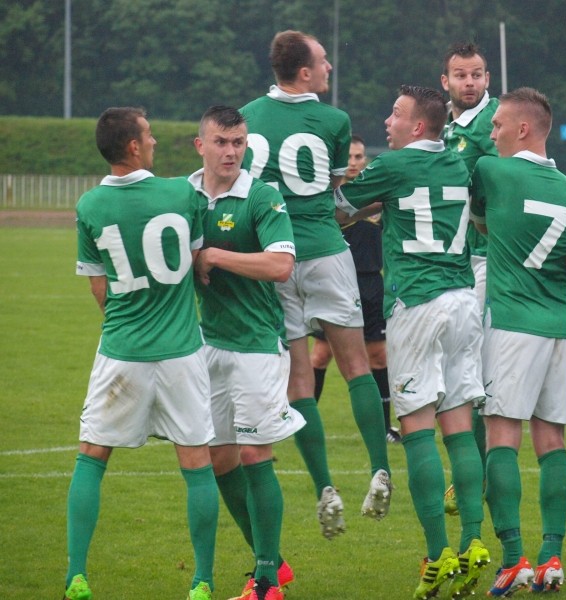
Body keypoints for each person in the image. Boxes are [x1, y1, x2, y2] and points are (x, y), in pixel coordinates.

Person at [335, 85, 490, 600]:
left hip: (417, 304)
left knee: (418, 429)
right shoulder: (458, 164)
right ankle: (474, 541)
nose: (388, 121)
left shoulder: (392, 165)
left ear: (418, 125)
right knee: (460, 428)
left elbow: (337, 210)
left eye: (396, 113)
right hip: (464, 301)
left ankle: (438, 553)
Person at [240, 30, 392, 539]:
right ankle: (380, 468)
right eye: (323, 61)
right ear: (304, 72)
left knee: (299, 380)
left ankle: (324, 485)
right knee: (356, 364)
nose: (329, 67)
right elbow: (333, 190)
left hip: (274, 256)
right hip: (325, 249)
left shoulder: (247, 116)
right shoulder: (334, 121)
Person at [65, 107, 218, 600]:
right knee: (196, 462)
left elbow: (100, 291)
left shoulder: (90, 206)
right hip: (181, 352)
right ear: (133, 146)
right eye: (148, 135)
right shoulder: (181, 193)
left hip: (122, 350)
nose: (153, 141)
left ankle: (76, 576)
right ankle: (202, 581)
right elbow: (195, 263)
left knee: (92, 455)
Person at [470, 87, 566, 597]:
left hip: (512, 321)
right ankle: (551, 557)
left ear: (523, 128)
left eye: (499, 124)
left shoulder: (494, 170)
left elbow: (480, 221)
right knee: (552, 442)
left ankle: (512, 558)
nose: (492, 133)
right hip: (560, 323)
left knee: (501, 436)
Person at [189, 106, 306, 600]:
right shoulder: (185, 196)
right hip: (206, 344)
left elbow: (280, 266)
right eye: (221, 142)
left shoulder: (262, 195)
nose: (231, 151)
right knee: (219, 460)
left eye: (238, 142)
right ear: (201, 145)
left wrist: (215, 255)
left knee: (256, 453)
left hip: (257, 345)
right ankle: (271, 559)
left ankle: (265, 582)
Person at [439, 40, 499, 516]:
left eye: (476, 74)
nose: (469, 82)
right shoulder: (446, 126)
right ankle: (472, 473)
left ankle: (473, 478)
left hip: (487, 258)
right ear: (446, 81)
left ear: (487, 78)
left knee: (473, 370)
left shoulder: (494, 121)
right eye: (461, 75)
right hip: (455, 260)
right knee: (459, 365)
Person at [309, 135, 399, 442]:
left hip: (371, 282)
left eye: (359, 156)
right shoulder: (329, 197)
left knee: (378, 356)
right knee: (320, 355)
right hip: (336, 280)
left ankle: (384, 427)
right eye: (348, 156)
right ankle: (304, 424)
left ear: (365, 160)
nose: (353, 162)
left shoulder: (378, 196)